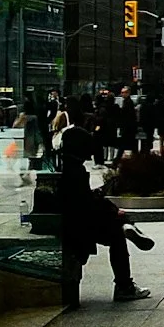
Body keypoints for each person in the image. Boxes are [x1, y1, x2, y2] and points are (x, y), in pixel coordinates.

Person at [56, 119, 154, 303]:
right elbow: (85, 206)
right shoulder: (74, 172)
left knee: (114, 220)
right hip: (78, 226)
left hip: (76, 220)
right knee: (116, 233)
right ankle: (124, 285)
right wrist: (109, 208)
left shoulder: (68, 167)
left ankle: (125, 225)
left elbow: (83, 201)